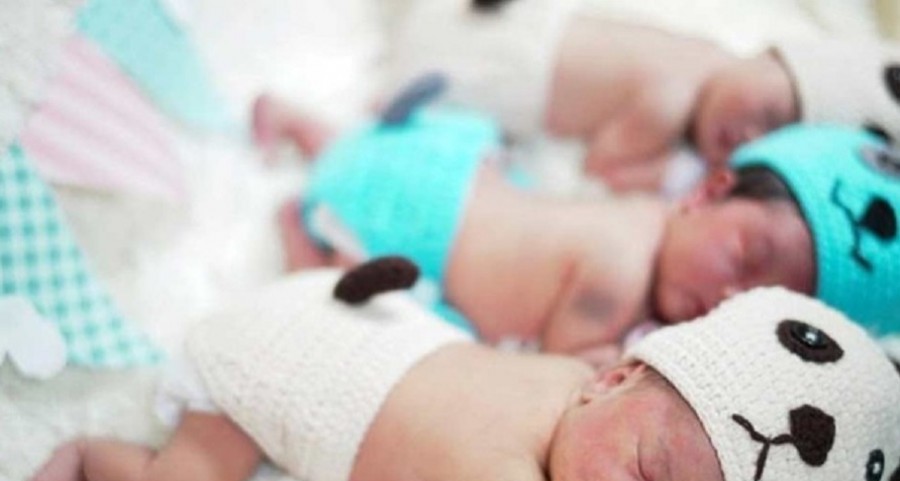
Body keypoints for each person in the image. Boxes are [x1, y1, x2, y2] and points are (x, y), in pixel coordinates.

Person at [17, 258, 900, 481]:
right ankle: (92, 456)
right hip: (268, 375)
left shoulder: (575, 378)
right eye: (646, 467)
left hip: (356, 319)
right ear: (618, 376)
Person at [256, 90, 900, 361]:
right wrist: (605, 360)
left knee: (348, 145)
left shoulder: (660, 214)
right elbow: (564, 362)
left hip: (455, 174)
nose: (733, 296)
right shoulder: (619, 278)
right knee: (341, 304)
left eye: (766, 301)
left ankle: (297, 121)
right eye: (743, 260)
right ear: (709, 190)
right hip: (421, 234)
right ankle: (298, 241)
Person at [386, 2, 900, 192]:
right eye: (768, 114)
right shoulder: (673, 97)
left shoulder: (711, 58)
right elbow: (604, 166)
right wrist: (681, 173)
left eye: (768, 143)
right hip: (494, 68)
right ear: (769, 55)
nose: (746, 138)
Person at [693, 37, 900, 168]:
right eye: (769, 116)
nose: (750, 143)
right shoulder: (689, 66)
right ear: (771, 58)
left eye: (771, 148)